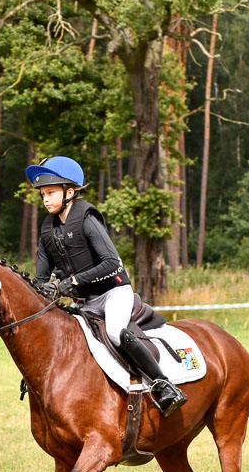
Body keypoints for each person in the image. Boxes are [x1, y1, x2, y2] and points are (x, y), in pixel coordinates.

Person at [26, 155, 187, 417]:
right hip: (84, 302)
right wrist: (41, 289)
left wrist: (74, 281)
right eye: (43, 194)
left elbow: (112, 263)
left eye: (51, 192)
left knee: (114, 332)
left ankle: (164, 385)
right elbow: (42, 277)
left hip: (113, 293)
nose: (45, 199)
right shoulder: (48, 230)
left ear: (70, 191)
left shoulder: (87, 218)